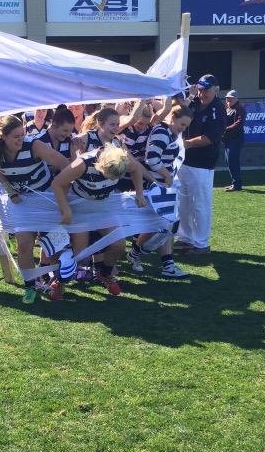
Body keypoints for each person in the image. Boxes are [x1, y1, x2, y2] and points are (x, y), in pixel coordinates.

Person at [0, 114, 70, 304]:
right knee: (24, 244)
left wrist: (61, 190)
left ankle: (54, 280)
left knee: (53, 245)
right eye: (16, 136)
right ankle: (30, 286)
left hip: (47, 198)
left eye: (22, 134)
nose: (21, 139)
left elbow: (66, 164)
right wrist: (10, 191)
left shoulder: (35, 145)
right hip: (22, 203)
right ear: (3, 136)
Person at [52, 142, 148, 299]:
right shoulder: (82, 164)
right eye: (109, 175)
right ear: (100, 165)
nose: (113, 179)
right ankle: (59, 281)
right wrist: (66, 209)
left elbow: (136, 169)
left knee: (119, 245)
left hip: (104, 208)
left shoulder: (122, 158)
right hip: (80, 209)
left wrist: (139, 193)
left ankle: (104, 274)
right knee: (81, 256)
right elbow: (57, 183)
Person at [127, 101, 193, 279]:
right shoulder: (162, 132)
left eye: (186, 126)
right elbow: (152, 159)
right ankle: (136, 253)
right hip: (154, 186)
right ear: (173, 118)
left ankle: (165, 264)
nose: (183, 129)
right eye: (182, 124)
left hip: (162, 186)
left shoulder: (169, 132)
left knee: (166, 224)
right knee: (159, 225)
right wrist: (167, 175)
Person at [175, 74, 227, 254]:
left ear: (216, 90)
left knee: (200, 204)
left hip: (202, 163)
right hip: (184, 161)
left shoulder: (218, 108)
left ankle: (201, 243)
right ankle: (185, 238)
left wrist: (186, 144)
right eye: (200, 89)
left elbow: (210, 137)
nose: (202, 93)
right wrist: (188, 95)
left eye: (206, 90)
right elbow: (178, 112)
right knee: (183, 204)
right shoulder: (194, 102)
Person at [221, 90, 246, 192]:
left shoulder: (239, 108)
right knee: (229, 161)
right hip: (228, 139)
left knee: (232, 161)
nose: (228, 100)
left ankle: (237, 184)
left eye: (230, 98)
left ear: (236, 98)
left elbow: (239, 123)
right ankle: (235, 183)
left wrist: (225, 129)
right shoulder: (228, 108)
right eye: (227, 98)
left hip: (235, 139)